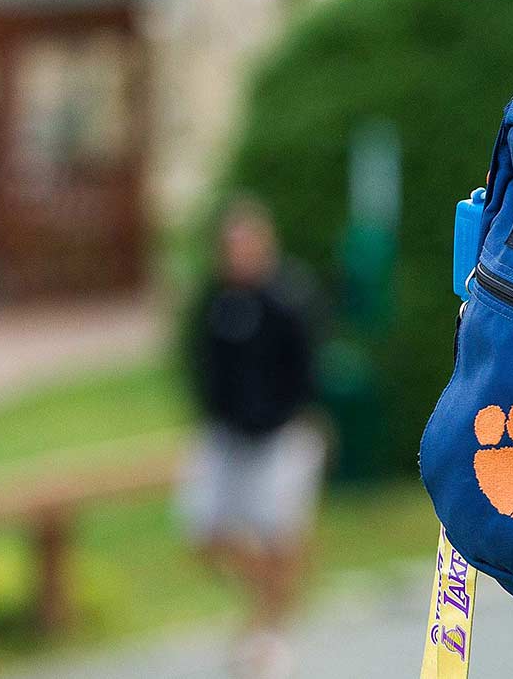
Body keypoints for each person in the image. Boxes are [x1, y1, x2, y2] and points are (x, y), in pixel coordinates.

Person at [178, 194, 326, 679]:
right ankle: (269, 603)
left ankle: (268, 633)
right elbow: (204, 367)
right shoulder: (216, 302)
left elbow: (307, 368)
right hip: (225, 435)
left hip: (278, 434)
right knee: (204, 531)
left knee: (280, 534)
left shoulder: (288, 298)